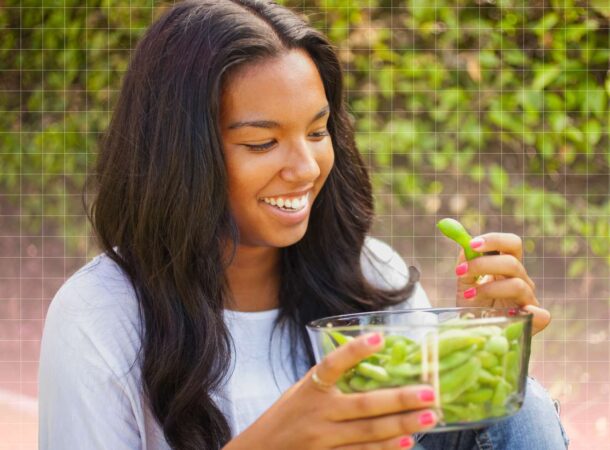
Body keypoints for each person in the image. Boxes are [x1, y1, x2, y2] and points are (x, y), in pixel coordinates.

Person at [38, 1, 569, 449]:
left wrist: (477, 344)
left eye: (317, 132)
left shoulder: (368, 274)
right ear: (177, 154)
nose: (306, 167)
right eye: (261, 143)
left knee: (519, 407)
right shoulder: (99, 316)